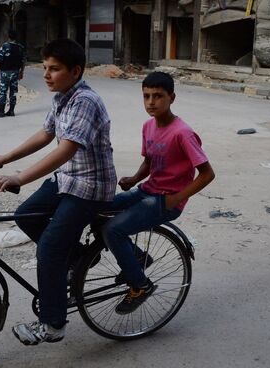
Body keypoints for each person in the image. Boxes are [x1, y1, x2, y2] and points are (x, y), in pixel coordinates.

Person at [0, 39, 116, 345]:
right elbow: (46, 134)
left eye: (54, 69)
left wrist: (19, 177)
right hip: (68, 179)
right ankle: (80, 258)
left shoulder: (85, 102)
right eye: (45, 68)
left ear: (75, 71)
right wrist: (5, 158)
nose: (46, 75)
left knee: (50, 250)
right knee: (25, 215)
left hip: (89, 187)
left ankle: (53, 324)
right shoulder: (62, 97)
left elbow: (66, 149)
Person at [102, 71, 215, 315]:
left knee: (113, 229)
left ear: (172, 98)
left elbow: (207, 174)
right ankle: (138, 258)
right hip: (147, 190)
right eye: (146, 96)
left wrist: (176, 198)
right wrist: (134, 178)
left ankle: (140, 285)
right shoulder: (148, 126)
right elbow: (149, 162)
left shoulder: (183, 133)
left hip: (166, 200)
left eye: (158, 96)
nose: (151, 102)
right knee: (96, 208)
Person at [0, 29, 26, 118]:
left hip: (5, 72)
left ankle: (1, 111)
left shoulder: (5, 46)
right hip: (15, 72)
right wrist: (21, 72)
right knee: (13, 92)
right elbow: (23, 61)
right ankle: (11, 111)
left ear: (8, 36)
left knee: (2, 91)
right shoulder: (20, 47)